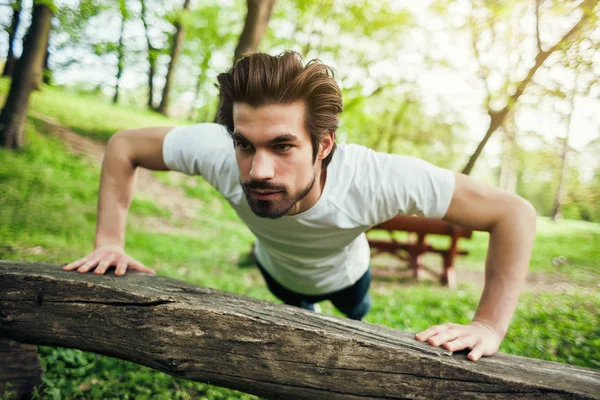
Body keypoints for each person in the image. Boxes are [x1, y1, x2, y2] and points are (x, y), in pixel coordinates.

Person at [64, 51, 536, 362]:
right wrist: (109, 241)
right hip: (279, 271)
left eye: (283, 146)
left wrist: (488, 325)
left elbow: (513, 213)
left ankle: (350, 318)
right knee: (297, 313)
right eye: (245, 144)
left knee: (356, 315)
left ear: (324, 144)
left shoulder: (378, 179)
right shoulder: (214, 149)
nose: (258, 171)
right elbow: (125, 145)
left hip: (349, 275)